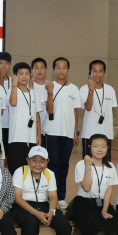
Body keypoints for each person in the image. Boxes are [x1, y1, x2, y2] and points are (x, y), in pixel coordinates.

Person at [10, 146, 72, 235]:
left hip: (44, 205)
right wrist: (37, 214)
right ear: (27, 160)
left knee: (65, 225)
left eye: (42, 161)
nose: (38, 164)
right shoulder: (20, 172)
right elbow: (17, 198)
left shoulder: (50, 174)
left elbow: (53, 197)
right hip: (23, 205)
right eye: (34, 160)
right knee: (31, 225)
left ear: (47, 162)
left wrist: (51, 212)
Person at [44, 57, 83, 208]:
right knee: (52, 164)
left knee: (63, 165)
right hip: (52, 131)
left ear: (68, 69)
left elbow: (75, 112)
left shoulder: (74, 89)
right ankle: (49, 196)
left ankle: (60, 197)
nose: (61, 70)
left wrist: (76, 132)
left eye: (64, 67)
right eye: (58, 67)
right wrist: (50, 93)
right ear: (54, 70)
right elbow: (49, 110)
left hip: (68, 133)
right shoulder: (49, 86)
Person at [6, 62, 42, 173]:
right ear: (15, 76)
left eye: (27, 73)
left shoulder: (33, 93)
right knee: (16, 169)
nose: (25, 76)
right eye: (21, 74)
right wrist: (14, 84)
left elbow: (37, 114)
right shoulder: (12, 90)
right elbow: (13, 103)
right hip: (16, 138)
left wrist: (38, 134)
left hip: (31, 138)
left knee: (30, 170)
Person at [80, 60, 118, 159]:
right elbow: (88, 107)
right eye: (94, 71)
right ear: (90, 72)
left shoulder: (110, 89)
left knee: (106, 162)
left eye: (100, 71)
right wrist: (91, 90)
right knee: (88, 162)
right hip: (89, 132)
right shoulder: (84, 89)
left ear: (104, 73)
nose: (97, 74)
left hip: (106, 132)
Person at [0, 52, 13, 162]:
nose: (4, 66)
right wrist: (1, 76)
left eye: (6, 63)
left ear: (10, 65)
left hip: (10, 125)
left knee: (8, 157)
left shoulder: (13, 81)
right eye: (1, 63)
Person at [31, 58, 52, 148]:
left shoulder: (50, 85)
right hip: (32, 129)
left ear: (46, 69)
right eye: (36, 68)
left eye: (42, 68)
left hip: (48, 129)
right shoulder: (28, 85)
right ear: (32, 70)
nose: (39, 71)